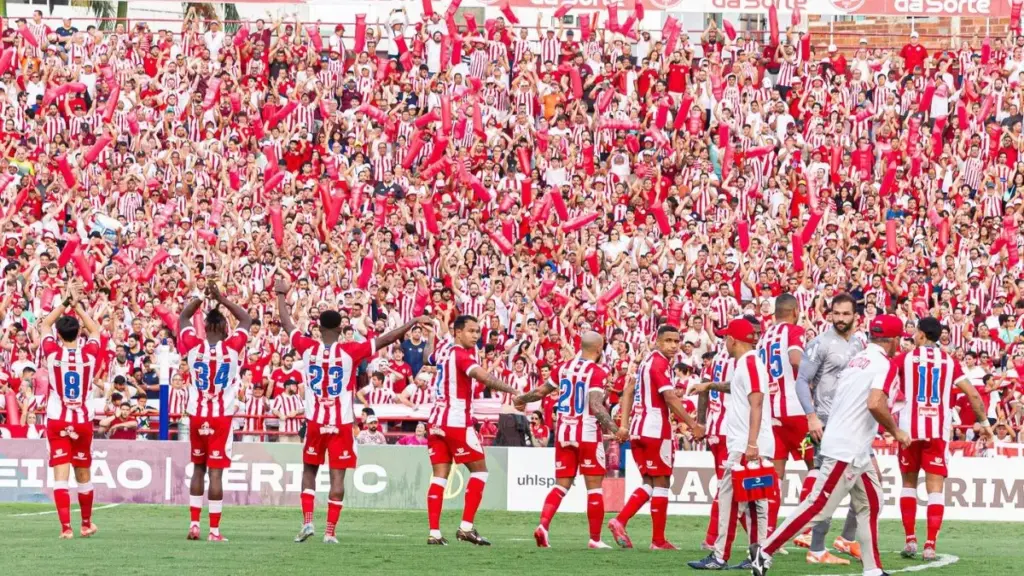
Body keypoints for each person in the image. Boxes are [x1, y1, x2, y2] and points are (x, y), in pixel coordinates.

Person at [748, 314, 912, 576]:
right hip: (847, 447)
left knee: (871, 502)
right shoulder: (883, 363)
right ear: (894, 340)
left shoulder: (856, 360)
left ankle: (873, 569)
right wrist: (896, 430)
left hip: (851, 444)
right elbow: (874, 403)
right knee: (818, 507)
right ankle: (764, 550)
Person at [276, 277, 426, 545]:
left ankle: (308, 522)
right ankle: (330, 532)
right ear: (341, 326)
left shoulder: (307, 348)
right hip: (341, 422)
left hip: (314, 421)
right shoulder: (350, 351)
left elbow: (287, 324)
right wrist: (410, 323)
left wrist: (279, 294)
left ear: (319, 328)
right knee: (337, 475)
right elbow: (384, 339)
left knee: (309, 471)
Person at [884, 317, 992, 561]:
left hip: (908, 431)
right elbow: (973, 395)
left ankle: (910, 540)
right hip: (936, 432)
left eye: (915, 333)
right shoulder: (950, 362)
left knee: (908, 484)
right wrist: (985, 425)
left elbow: (886, 385)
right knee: (935, 488)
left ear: (921, 335)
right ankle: (930, 545)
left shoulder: (904, 359)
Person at [513, 331, 622, 549]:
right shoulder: (598, 371)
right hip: (587, 435)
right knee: (594, 489)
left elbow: (542, 391)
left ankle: (543, 526)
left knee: (561, 485)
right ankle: (595, 539)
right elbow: (596, 406)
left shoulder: (564, 367)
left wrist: (521, 398)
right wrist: (615, 429)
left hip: (563, 434)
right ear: (599, 350)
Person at [424, 314, 524, 546]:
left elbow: (427, 356)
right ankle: (466, 527)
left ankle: (434, 533)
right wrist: (513, 391)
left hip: (436, 421)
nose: (475, 335)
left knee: (440, 476)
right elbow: (484, 376)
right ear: (457, 332)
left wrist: (431, 335)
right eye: (471, 331)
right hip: (456, 421)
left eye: (478, 331)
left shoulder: (443, 350)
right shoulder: (461, 355)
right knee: (480, 471)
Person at [611, 325, 705, 550]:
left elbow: (628, 391)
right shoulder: (660, 363)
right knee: (662, 482)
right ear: (658, 341)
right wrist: (693, 425)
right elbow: (670, 398)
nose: (673, 345)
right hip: (655, 430)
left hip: (637, 428)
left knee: (650, 482)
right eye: (668, 341)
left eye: (676, 341)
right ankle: (658, 540)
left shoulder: (645, 361)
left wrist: (624, 425)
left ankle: (620, 520)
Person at [688, 318, 772, 570]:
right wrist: (710, 385)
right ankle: (749, 555)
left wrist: (752, 443)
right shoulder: (746, 364)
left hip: (748, 445)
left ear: (733, 340)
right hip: (746, 442)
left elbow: (756, 402)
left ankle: (727, 556)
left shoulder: (750, 364)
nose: (724, 341)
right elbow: (738, 389)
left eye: (726, 337)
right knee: (745, 500)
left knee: (746, 501)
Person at [792, 293, 868, 563]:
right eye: (836, 314)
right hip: (826, 424)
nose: (840, 319)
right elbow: (802, 381)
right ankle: (817, 548)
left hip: (855, 426)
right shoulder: (820, 344)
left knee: (866, 486)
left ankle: (846, 539)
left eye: (846, 314)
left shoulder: (861, 344)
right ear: (830, 315)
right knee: (829, 488)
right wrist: (811, 417)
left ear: (855, 317)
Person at [177, 279, 253, 542]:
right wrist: (221, 298)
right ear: (223, 328)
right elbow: (246, 320)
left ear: (206, 327)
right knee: (216, 472)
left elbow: (184, 316)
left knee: (198, 468)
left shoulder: (192, 345)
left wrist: (201, 297)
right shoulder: (232, 348)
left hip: (197, 415)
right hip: (221, 417)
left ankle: (194, 524)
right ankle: (214, 531)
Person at [39, 283, 102, 539]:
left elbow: (44, 324)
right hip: (82, 421)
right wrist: (78, 306)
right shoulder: (89, 355)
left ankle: (66, 529)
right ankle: (86, 524)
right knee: (83, 471)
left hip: (57, 419)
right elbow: (95, 329)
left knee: (60, 476)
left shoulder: (52, 354)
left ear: (59, 334)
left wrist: (65, 301)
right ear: (79, 333)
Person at [756, 293, 810, 534]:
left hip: (771, 413)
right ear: (795, 311)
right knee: (817, 466)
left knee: (775, 474)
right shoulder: (794, 331)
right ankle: (805, 530)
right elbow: (796, 359)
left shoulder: (763, 338)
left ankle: (768, 533)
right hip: (796, 411)